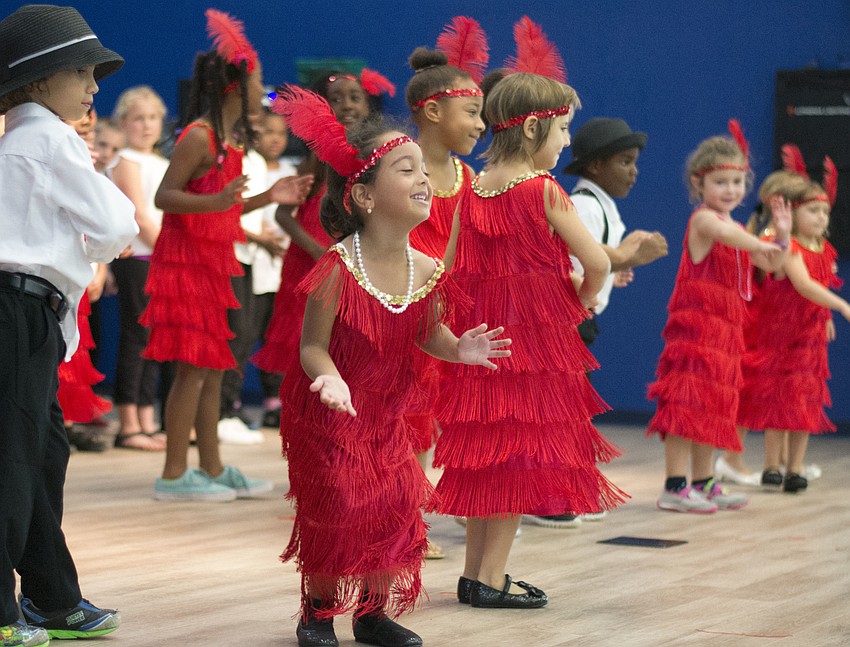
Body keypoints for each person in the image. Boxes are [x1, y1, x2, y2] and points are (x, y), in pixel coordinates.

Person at [273, 86, 510, 647]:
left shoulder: (426, 270)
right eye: (406, 170)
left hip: (388, 414)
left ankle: (373, 613)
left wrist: (460, 349)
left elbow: (428, 334)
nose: (424, 179)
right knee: (337, 502)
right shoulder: (336, 267)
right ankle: (319, 610)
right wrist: (327, 375)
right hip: (328, 411)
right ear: (364, 196)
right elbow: (311, 346)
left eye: (422, 169)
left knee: (393, 504)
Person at [435, 20, 625, 611]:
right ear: (538, 127)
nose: (567, 142)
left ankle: (472, 574)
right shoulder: (542, 190)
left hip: (480, 340)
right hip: (530, 348)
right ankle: (491, 579)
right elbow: (596, 259)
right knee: (516, 464)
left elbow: (448, 265)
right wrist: (586, 292)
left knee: (486, 457)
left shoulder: (473, 188)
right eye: (564, 129)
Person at [0, 5, 137, 644]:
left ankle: (53, 598)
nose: (93, 85)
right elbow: (116, 225)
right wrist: (95, 246)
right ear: (34, 82)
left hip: (26, 312)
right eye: (80, 71)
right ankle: (11, 610)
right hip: (17, 312)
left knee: (41, 454)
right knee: (17, 461)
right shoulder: (49, 138)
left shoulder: (23, 139)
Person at [140, 10, 312, 501]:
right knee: (192, 367)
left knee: (214, 365)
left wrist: (269, 196)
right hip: (185, 264)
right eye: (259, 83)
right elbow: (165, 198)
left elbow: (224, 210)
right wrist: (219, 202)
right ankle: (174, 475)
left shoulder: (230, 143)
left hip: (214, 260)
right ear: (236, 87)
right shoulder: (199, 136)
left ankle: (211, 467)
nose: (266, 93)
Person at [523, 117, 668, 529]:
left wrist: (615, 269)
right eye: (625, 161)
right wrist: (624, 257)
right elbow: (572, 260)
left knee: (566, 411)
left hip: (581, 318)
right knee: (559, 411)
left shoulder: (599, 203)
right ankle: (546, 496)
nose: (634, 171)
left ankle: (555, 491)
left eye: (635, 161)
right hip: (568, 320)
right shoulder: (584, 204)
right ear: (594, 167)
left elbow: (594, 260)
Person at [647, 123, 791, 513]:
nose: (731, 189)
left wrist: (782, 237)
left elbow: (773, 262)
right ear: (699, 182)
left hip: (726, 331)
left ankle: (703, 482)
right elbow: (741, 242)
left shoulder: (738, 227)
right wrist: (763, 241)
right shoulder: (704, 220)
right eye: (721, 181)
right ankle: (675, 487)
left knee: (712, 405)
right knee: (685, 404)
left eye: (738, 181)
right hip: (696, 327)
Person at [403, 16, 488, 559]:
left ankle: (432, 501)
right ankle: (405, 516)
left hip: (451, 312)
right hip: (405, 305)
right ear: (433, 112)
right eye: (473, 112)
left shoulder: (469, 180)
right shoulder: (400, 167)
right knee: (406, 412)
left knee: (438, 412)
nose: (482, 125)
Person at [251, 70, 377, 380]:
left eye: (354, 98)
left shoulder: (376, 158)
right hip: (309, 268)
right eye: (336, 100)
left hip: (355, 268)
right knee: (306, 350)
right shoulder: (317, 159)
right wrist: (318, 251)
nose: (346, 106)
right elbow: (283, 214)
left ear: (368, 106)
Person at [737, 157, 850, 493]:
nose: (821, 218)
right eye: (813, 211)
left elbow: (822, 285)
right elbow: (803, 285)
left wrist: (827, 314)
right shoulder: (790, 248)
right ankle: (772, 465)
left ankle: (795, 467)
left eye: (825, 212)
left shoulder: (825, 249)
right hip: (781, 332)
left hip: (809, 337)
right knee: (779, 398)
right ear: (793, 213)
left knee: (804, 401)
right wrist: (842, 306)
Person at [714, 170, 810, 485]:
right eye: (806, 206)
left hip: (768, 328)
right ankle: (730, 458)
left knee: (763, 394)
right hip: (756, 326)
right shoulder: (767, 238)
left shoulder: (776, 238)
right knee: (748, 393)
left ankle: (783, 462)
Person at [110, 85, 170, 451]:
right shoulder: (125, 161)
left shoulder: (162, 163)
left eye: (152, 118)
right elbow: (139, 212)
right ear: (124, 123)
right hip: (141, 259)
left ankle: (147, 418)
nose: (146, 126)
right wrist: (170, 250)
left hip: (161, 259)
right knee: (137, 336)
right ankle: (128, 422)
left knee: (154, 339)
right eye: (138, 118)